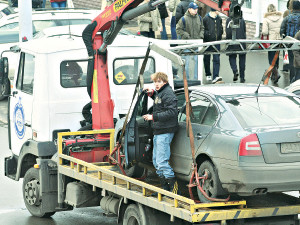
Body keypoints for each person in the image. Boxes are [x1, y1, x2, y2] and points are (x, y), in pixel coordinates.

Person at [143, 72, 179, 194]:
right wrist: (152, 93)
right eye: (155, 82)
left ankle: (173, 192)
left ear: (165, 81)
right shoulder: (161, 92)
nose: (156, 84)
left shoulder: (168, 93)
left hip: (165, 130)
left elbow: (172, 112)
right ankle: (165, 190)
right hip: (159, 130)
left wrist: (153, 117)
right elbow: (160, 103)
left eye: (159, 81)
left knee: (162, 162)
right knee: (156, 161)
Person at [176, 2, 204, 80]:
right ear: (189, 9)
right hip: (187, 44)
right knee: (186, 63)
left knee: (197, 63)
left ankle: (196, 79)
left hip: (196, 44)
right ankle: (186, 79)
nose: (196, 10)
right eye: (194, 9)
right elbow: (178, 29)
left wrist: (201, 35)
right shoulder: (183, 19)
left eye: (197, 9)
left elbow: (202, 28)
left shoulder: (199, 18)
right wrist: (186, 35)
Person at [262, 4, 282, 84]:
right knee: (276, 58)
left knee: (271, 58)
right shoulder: (280, 17)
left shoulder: (266, 19)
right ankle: (274, 76)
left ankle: (276, 74)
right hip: (280, 40)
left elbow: (265, 32)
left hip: (271, 41)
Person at [280, 0, 300, 83]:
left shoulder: (287, 18)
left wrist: (285, 38)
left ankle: (292, 80)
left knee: (292, 61)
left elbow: (282, 30)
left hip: (289, 43)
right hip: (298, 42)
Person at [203, 8, 223, 83]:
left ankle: (216, 76)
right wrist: (207, 35)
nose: (221, 11)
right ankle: (208, 73)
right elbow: (203, 29)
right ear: (214, 10)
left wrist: (220, 34)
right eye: (219, 10)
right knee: (207, 58)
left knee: (216, 59)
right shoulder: (205, 18)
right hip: (208, 41)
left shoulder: (219, 19)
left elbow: (221, 28)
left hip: (217, 42)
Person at [225, 17, 247, 83]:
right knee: (242, 59)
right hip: (241, 41)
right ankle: (242, 77)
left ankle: (235, 71)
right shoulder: (242, 19)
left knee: (232, 57)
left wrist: (227, 41)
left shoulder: (229, 20)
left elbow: (228, 32)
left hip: (232, 41)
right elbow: (244, 31)